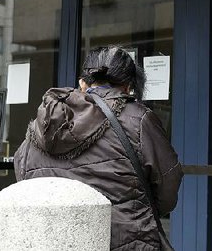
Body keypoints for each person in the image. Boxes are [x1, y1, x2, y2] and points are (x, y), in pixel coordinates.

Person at [14, 45, 183, 251]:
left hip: (55, 241)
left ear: (82, 83)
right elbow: (168, 185)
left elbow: (22, 178)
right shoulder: (138, 119)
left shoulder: (43, 124)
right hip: (127, 240)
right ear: (129, 86)